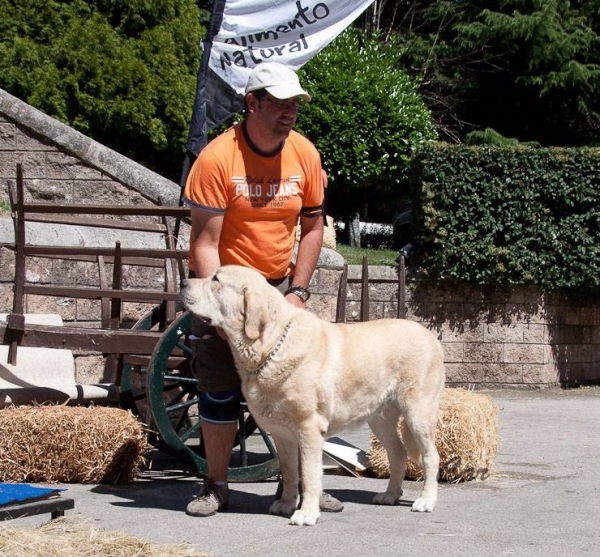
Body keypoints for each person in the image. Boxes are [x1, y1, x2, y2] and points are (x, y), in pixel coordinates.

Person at [181, 61, 343, 517]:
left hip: (278, 291)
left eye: (295, 102)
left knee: (299, 393)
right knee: (219, 387)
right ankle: (216, 485)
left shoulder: (305, 155)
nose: (291, 111)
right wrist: (218, 311)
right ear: (252, 103)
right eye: (280, 102)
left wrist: (299, 291)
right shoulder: (217, 158)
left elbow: (313, 226)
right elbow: (205, 242)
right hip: (226, 290)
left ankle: (300, 489)